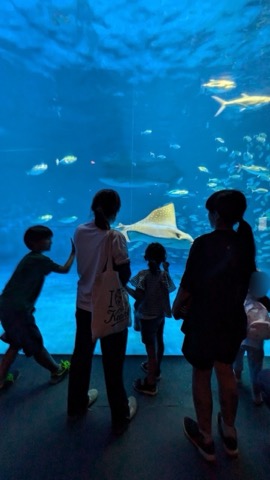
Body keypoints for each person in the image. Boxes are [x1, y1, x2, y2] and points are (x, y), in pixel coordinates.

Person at [172, 189, 256, 462]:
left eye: (210, 212)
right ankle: (230, 433)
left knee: (201, 372)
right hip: (232, 319)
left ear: (216, 215)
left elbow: (188, 284)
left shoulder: (202, 243)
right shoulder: (245, 243)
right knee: (226, 370)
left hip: (203, 320)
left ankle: (206, 437)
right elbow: (253, 283)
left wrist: (176, 306)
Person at [67, 189, 137, 434]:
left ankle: (76, 404)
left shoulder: (79, 231)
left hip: (84, 305)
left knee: (81, 357)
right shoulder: (115, 237)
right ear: (115, 210)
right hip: (108, 307)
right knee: (113, 363)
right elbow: (124, 274)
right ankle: (120, 413)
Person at [0, 225, 75, 389]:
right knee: (35, 343)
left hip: (7, 306)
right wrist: (73, 254)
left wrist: (26, 305)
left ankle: (1, 378)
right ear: (36, 243)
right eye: (48, 239)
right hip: (19, 311)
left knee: (15, 343)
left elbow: (19, 285)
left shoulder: (28, 259)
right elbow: (65, 269)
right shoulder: (39, 260)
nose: (51, 242)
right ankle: (56, 370)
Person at [126, 243, 176, 396]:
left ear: (145, 257)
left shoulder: (143, 274)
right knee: (159, 341)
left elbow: (138, 296)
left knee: (150, 348)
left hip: (147, 317)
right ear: (164, 258)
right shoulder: (164, 275)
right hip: (159, 315)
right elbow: (171, 288)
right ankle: (156, 368)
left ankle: (150, 383)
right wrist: (166, 269)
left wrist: (123, 286)